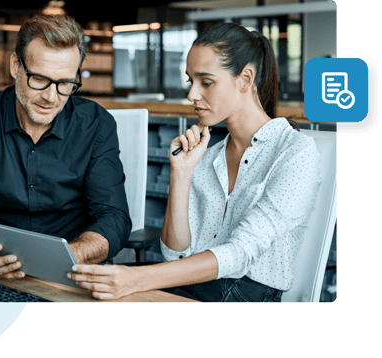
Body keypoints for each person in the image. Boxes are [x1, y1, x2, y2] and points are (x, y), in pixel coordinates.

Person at [68, 22, 321, 302]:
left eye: (206, 82)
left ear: (246, 79)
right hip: (195, 286)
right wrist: (182, 173)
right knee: (85, 289)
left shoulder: (296, 152)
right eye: (191, 81)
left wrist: (137, 279)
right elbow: (175, 254)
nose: (191, 95)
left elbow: (239, 253)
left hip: (247, 296)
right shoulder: (208, 156)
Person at [0, 15, 132, 280]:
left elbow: (113, 217)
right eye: (39, 79)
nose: (50, 97)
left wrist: (70, 255)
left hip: (74, 270)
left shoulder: (97, 124)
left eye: (65, 83)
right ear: (15, 66)